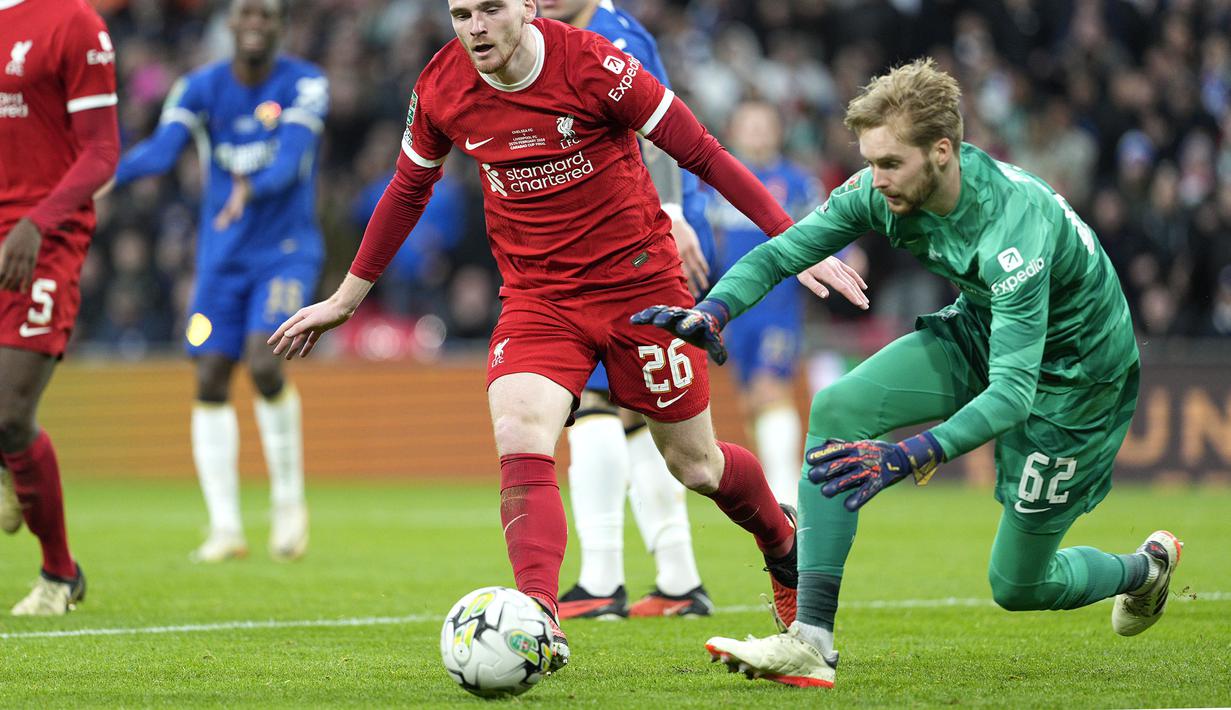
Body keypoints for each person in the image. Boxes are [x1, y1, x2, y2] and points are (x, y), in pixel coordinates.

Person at [270, 0, 866, 672]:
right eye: (461, 12)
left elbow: (699, 151)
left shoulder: (594, 64)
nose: (475, 27)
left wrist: (794, 242)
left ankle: (782, 545)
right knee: (520, 428)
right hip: (538, 297)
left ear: (527, 6)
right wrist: (347, 298)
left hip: (640, 289)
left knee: (694, 465)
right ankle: (538, 618)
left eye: (490, 9)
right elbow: (409, 188)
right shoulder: (440, 85)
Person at [637, 58, 1182, 689]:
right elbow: (785, 251)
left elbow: (1012, 394)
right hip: (985, 325)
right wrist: (714, 310)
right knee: (839, 406)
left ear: (943, 152)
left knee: (1018, 584)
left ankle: (1145, 570)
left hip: (1079, 378)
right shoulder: (883, 190)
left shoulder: (1013, 227)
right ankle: (811, 640)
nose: (877, 179)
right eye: (870, 161)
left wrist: (906, 456)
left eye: (891, 164)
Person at [109, 0, 327, 562]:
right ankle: (226, 527)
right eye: (247, 14)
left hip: (284, 254)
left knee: (262, 360)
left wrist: (248, 187)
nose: (255, 24)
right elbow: (160, 153)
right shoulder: (198, 86)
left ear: (282, 25)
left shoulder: (307, 85)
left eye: (267, 16)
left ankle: (288, 505)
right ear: (230, 23)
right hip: (220, 262)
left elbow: (291, 161)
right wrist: (99, 177)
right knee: (208, 375)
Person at [539, 0, 716, 621]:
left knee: (590, 404)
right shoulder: (573, 35)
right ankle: (678, 579)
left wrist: (670, 216)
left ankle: (599, 580)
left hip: (638, 242)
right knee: (637, 411)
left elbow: (654, 131)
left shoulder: (609, 35)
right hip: (635, 237)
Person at [0, 0, 119, 614]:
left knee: (10, 411)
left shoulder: (73, 21)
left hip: (41, 240)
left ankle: (60, 575)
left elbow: (102, 151)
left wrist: (37, 223)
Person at [707, 100, 820, 507]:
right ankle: (773, 492)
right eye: (747, 124)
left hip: (778, 309)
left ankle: (787, 495)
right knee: (752, 400)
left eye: (763, 124)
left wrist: (844, 257)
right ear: (734, 130)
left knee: (772, 389)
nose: (755, 132)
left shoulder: (797, 182)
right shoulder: (715, 181)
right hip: (734, 313)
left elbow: (826, 228)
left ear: (777, 131)